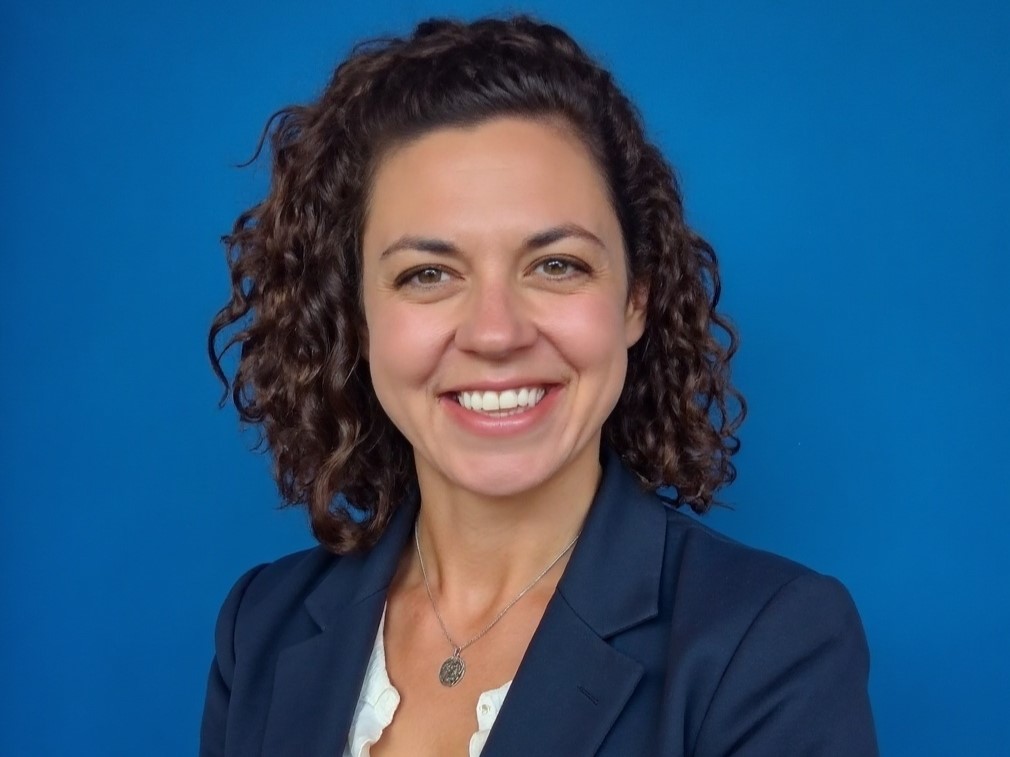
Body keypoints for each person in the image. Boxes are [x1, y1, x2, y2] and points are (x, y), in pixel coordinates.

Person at [201, 14, 878, 757]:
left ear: (635, 300)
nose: (496, 333)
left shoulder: (770, 645)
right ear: (356, 317)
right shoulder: (261, 625)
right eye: (428, 274)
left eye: (557, 265)